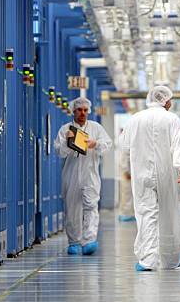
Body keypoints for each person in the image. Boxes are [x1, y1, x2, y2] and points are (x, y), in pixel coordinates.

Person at [119, 85, 180, 271]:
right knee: (168, 214)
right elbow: (179, 146)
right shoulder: (172, 118)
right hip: (166, 174)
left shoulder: (135, 118)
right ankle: (172, 258)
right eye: (170, 99)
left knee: (146, 215)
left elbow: (123, 144)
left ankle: (147, 260)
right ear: (166, 101)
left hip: (142, 175)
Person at [54, 97, 112, 255]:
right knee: (72, 208)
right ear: (74, 111)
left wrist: (96, 144)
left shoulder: (96, 128)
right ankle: (74, 241)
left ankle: (89, 240)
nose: (82, 113)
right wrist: (68, 142)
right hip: (71, 175)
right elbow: (58, 151)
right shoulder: (65, 129)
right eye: (79, 110)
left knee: (91, 206)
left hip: (90, 175)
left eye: (85, 110)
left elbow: (107, 144)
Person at [117, 148, 136, 222]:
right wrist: (126, 171)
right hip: (126, 174)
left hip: (128, 173)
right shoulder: (126, 146)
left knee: (128, 195)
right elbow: (123, 160)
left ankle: (128, 214)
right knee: (126, 195)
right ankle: (125, 214)